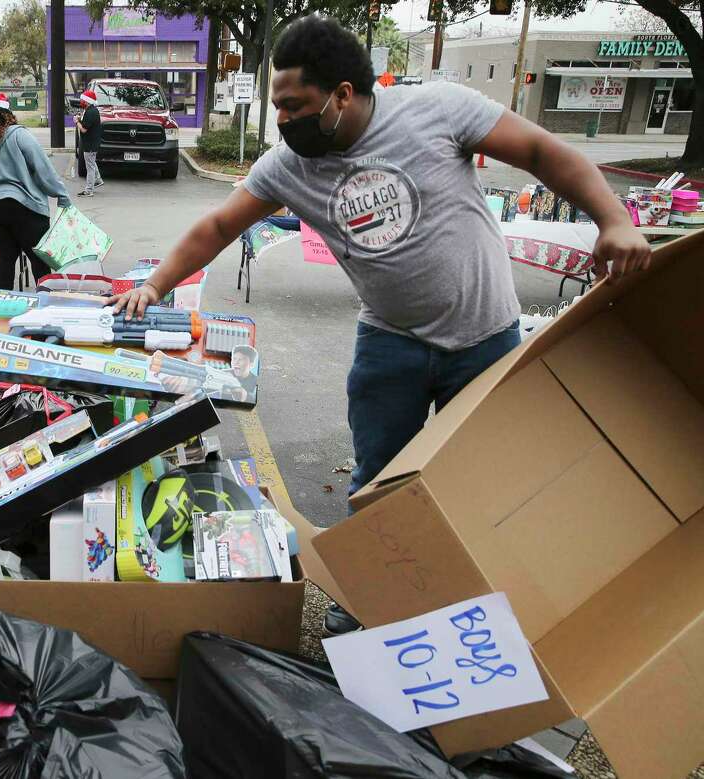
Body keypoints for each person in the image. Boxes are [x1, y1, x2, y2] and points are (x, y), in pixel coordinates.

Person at [109, 16, 650, 634]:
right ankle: (367, 609)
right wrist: (155, 285)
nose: (283, 121)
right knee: (379, 488)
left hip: (485, 342)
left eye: (295, 106)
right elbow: (217, 228)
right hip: (390, 344)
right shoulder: (289, 164)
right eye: (277, 108)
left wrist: (613, 218)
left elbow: (541, 152)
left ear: (342, 94)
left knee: (475, 487)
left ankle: (476, 621)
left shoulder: (438, 110)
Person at [0, 93, 72, 290]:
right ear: (7, 114)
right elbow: (42, 168)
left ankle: (6, 300)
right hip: (21, 204)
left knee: (6, 255)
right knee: (38, 258)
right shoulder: (18, 134)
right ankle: (45, 302)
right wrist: (61, 194)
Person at [75, 89, 104, 196]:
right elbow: (86, 124)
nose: (81, 101)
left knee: (90, 167)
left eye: (82, 100)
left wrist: (77, 121)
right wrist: (80, 119)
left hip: (90, 144)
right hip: (92, 143)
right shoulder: (91, 110)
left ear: (87, 101)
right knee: (92, 162)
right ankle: (98, 180)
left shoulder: (91, 112)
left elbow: (83, 129)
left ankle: (89, 190)